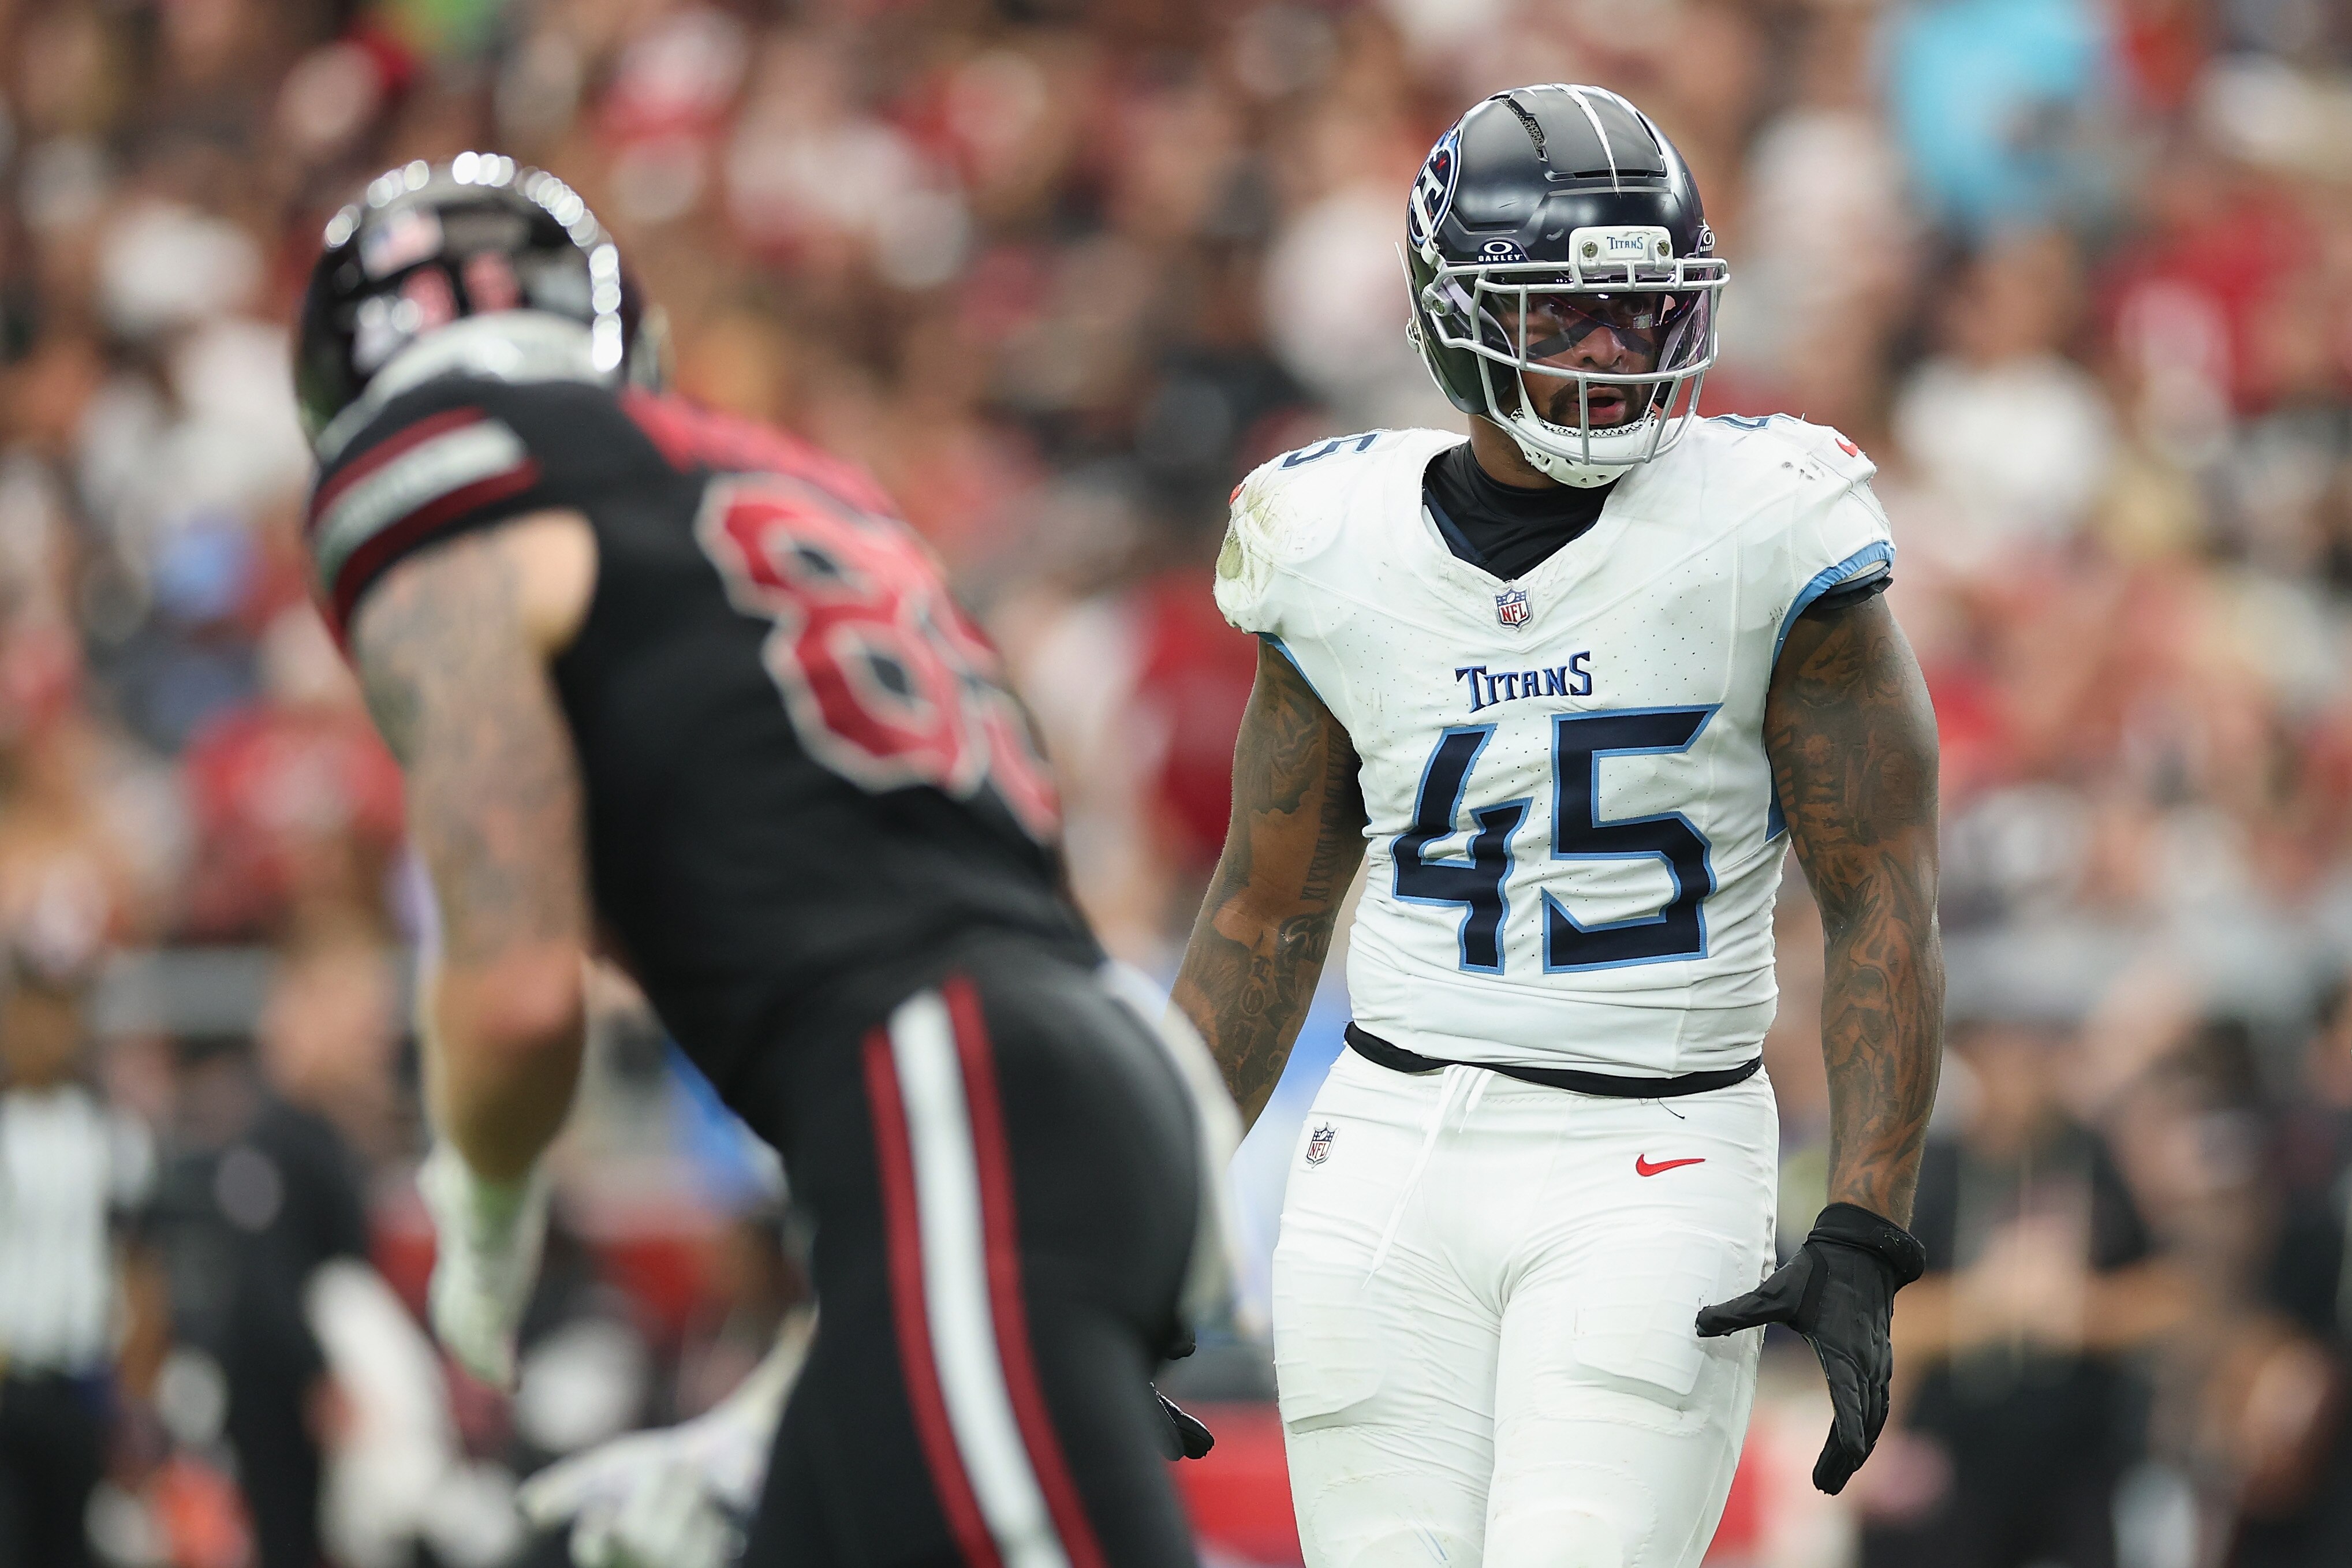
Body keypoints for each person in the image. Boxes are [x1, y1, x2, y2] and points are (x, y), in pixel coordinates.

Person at [291, 156, 1227, 1567]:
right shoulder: (782, 481)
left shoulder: (444, 470)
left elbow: (518, 988)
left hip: (954, 1097)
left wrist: (480, 1225)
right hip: (1061, 1085)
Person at [1173, 84, 1944, 1566]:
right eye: (1564, 310)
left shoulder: (1771, 521)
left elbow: (1883, 896)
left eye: (1640, 310)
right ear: (1452, 318)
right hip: (1387, 1142)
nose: (1611, 350)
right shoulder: (1328, 538)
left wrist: (1865, 1220)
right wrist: (1139, 1226)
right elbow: (1264, 911)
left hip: (1654, 1145)